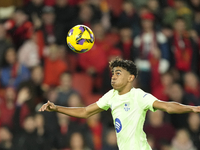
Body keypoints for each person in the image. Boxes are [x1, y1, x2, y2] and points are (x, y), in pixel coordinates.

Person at [39, 58, 200, 150]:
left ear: (130, 78)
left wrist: (192, 108)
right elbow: (85, 112)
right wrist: (57, 108)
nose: (113, 77)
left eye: (118, 73)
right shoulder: (111, 96)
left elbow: (167, 106)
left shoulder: (138, 95)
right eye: (112, 74)